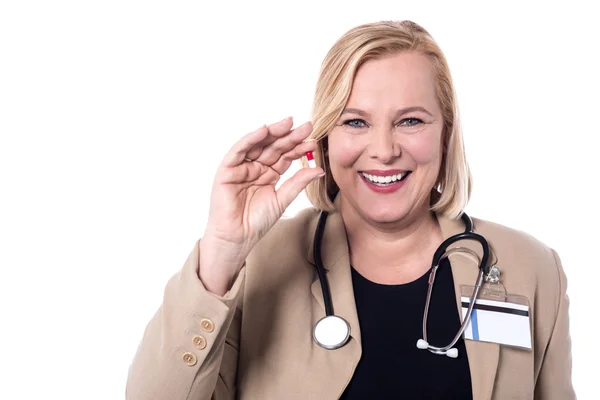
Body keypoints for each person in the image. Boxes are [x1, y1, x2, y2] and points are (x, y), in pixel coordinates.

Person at [126, 20, 575, 399]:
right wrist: (222, 249)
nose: (383, 150)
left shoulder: (529, 269)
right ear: (323, 139)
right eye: (355, 122)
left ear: (446, 135)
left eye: (411, 121)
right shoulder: (254, 264)